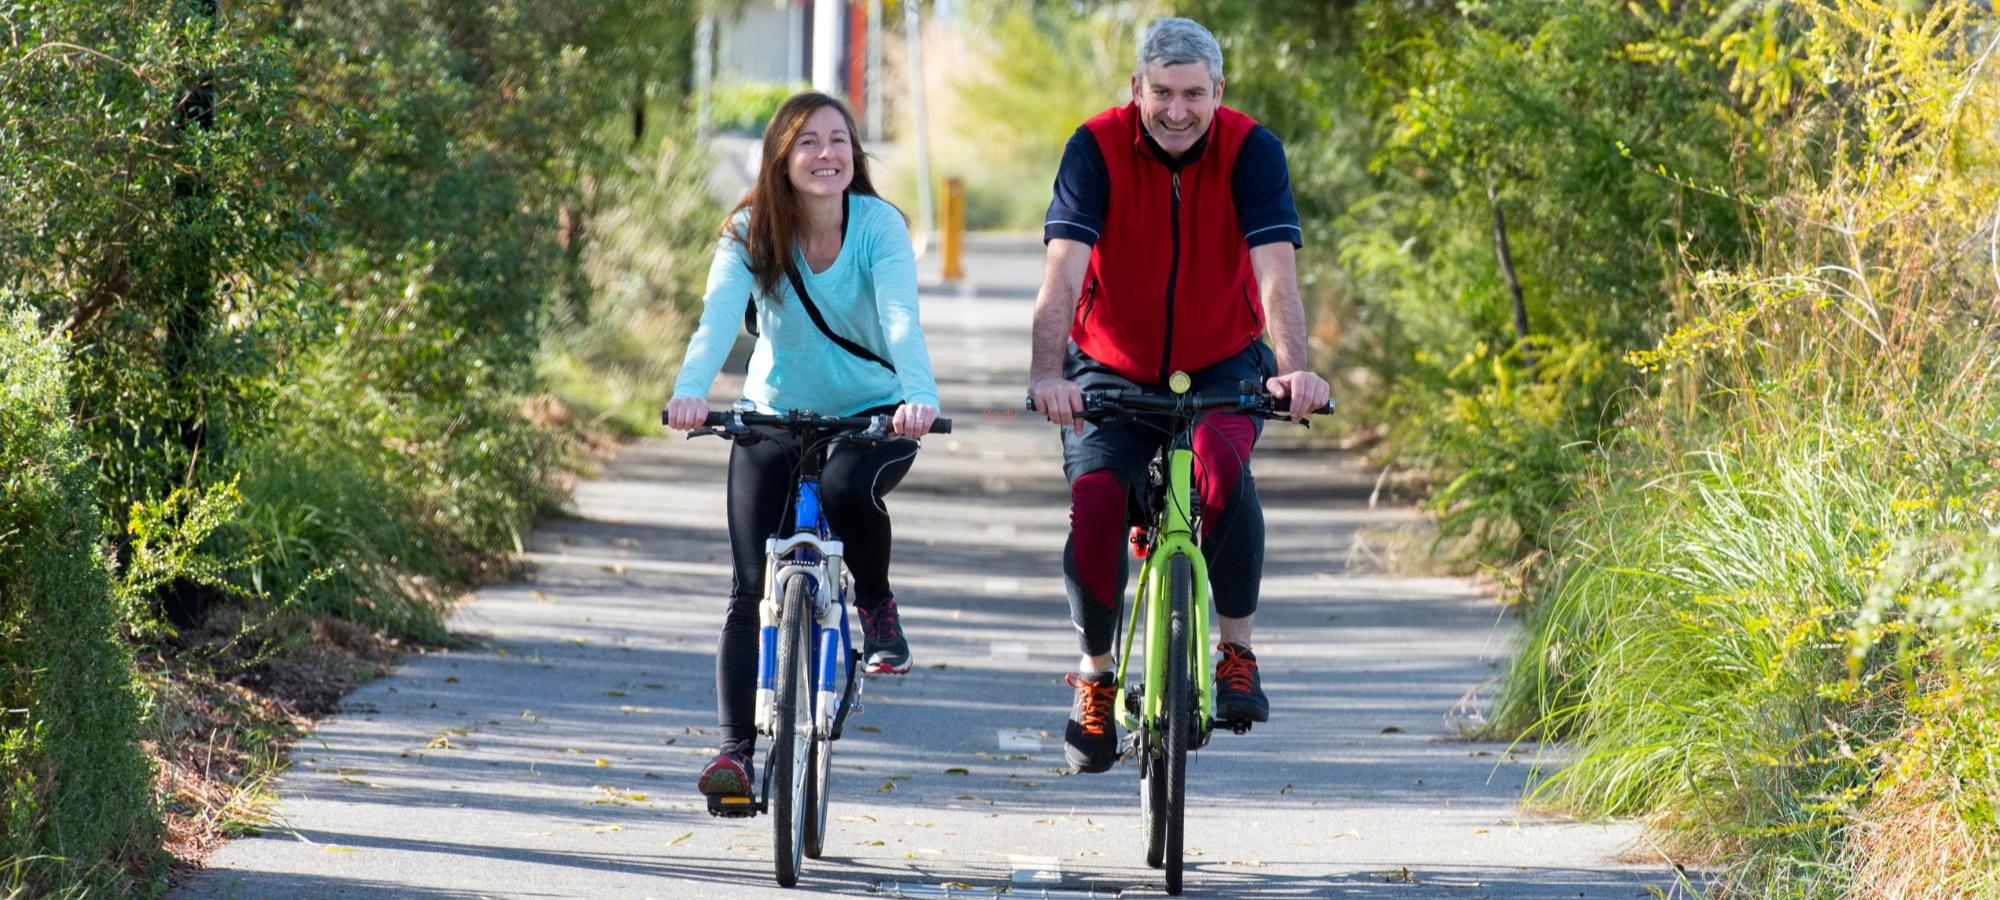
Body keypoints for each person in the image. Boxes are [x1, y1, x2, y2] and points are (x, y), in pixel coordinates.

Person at [1027, 17, 1331, 774]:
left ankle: (1237, 651)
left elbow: (1276, 275)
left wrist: (1293, 368)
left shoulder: (1251, 149)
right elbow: (1064, 273)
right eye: (1161, 92)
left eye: (1193, 93)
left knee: (1222, 480)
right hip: (1106, 369)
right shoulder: (1094, 146)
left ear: (1217, 93)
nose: (1176, 110)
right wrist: (1047, 374)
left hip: (1224, 363)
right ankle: (1096, 679)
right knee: (1098, 502)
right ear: (1136, 89)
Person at [666, 91, 941, 799]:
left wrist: (919, 396)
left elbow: (900, 318)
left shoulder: (879, 226)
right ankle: (734, 754)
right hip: (772, 416)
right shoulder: (749, 230)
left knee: (850, 491)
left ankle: (876, 606)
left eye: (839, 140)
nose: (827, 154)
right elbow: (717, 322)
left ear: (855, 153)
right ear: (781, 159)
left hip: (875, 416)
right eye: (809, 142)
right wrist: (691, 391)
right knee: (748, 586)